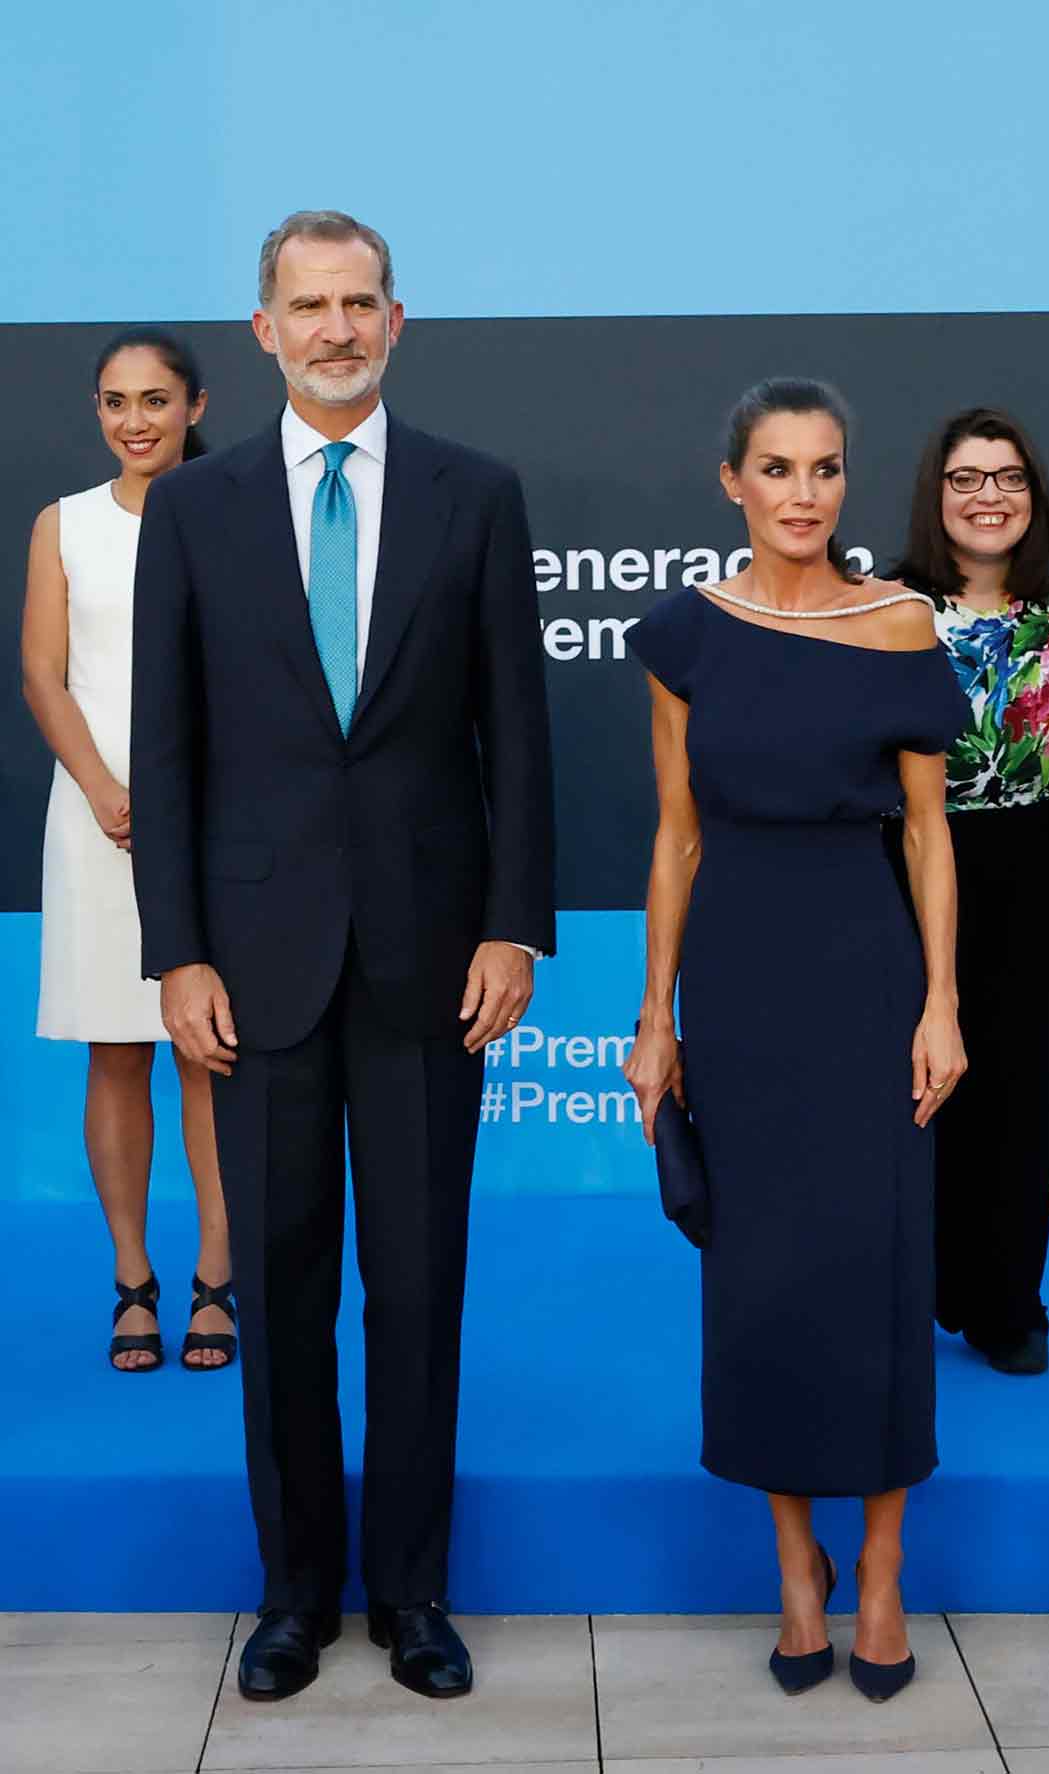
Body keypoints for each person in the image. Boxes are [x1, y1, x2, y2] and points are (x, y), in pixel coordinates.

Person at [129, 211, 555, 1704]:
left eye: (357, 301)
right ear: (262, 330)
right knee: (287, 1289)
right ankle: (293, 1594)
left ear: (396, 318)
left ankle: (415, 1594)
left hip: (435, 963)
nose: (333, 327)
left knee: (419, 1287)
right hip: (253, 966)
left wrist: (514, 920)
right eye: (306, 305)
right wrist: (173, 952)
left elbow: (518, 732)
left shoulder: (476, 495)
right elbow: (166, 755)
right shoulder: (192, 510)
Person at [624, 378, 968, 1703]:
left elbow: (929, 834)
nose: (803, 494)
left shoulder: (897, 626)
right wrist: (654, 1017)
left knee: (876, 1266)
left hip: (865, 968)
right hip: (739, 974)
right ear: (732, 481)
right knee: (759, 1271)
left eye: (825, 468)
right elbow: (675, 834)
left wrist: (938, 1003)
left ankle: (877, 1569)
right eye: (776, 468)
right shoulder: (685, 636)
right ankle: (793, 1569)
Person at [21, 328, 236, 1374]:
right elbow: (44, 674)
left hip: (222, 820)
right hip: (95, 821)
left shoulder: (242, 513)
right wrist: (108, 791)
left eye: (156, 399)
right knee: (117, 1050)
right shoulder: (62, 525)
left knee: (211, 1052)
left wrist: (197, 797)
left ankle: (214, 1279)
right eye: (116, 401)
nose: (135, 420)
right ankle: (134, 1280)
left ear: (196, 406)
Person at [891, 407, 1049, 1376]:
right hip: (902, 861)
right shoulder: (883, 606)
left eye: (1008, 477)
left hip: (1027, 869)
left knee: (1019, 1088)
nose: (988, 495)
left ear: (1034, 498)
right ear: (936, 495)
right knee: (906, 1086)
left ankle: (1006, 1299)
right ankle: (907, 1284)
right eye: (966, 477)